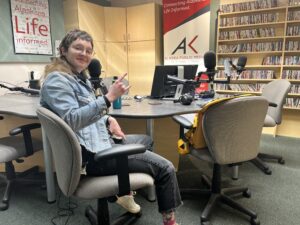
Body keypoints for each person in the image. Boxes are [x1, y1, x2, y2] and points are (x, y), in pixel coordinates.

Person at [40, 29, 182, 225]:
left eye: (88, 50)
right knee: (166, 168)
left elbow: (84, 111)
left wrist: (107, 121)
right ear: (63, 50)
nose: (84, 54)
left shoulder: (79, 78)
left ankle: (122, 192)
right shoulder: (58, 80)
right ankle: (170, 221)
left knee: (145, 140)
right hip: (92, 157)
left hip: (98, 142)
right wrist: (108, 99)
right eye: (78, 48)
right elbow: (72, 119)